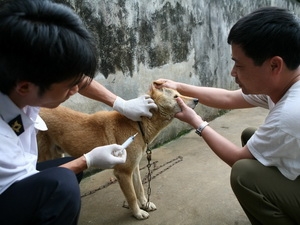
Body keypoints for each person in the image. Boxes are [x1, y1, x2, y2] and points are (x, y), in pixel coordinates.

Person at [0, 0, 156, 224]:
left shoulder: (22, 79)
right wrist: (88, 160)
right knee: (62, 186)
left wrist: (120, 103)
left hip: (17, 172)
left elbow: (82, 81)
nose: (77, 89)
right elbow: (20, 183)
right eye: (70, 85)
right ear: (25, 86)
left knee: (68, 174)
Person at [155, 7, 300, 225]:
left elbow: (237, 159)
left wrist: (197, 122)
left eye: (239, 65)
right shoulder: (285, 82)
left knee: (244, 174)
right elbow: (228, 98)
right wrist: (177, 85)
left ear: (274, 65)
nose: (233, 72)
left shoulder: (290, 113)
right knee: (252, 137)